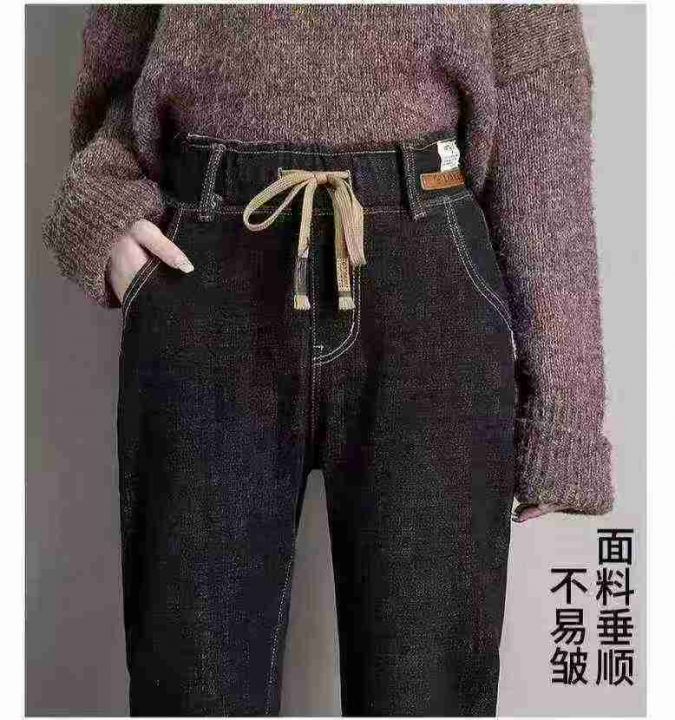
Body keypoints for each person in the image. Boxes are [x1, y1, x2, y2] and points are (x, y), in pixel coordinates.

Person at [42, 3, 614, 716]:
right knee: (192, 688)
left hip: (426, 273)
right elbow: (120, 54)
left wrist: (565, 403)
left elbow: (537, 87)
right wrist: (102, 202)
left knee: (428, 699)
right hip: (206, 263)